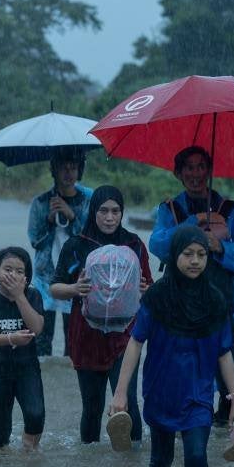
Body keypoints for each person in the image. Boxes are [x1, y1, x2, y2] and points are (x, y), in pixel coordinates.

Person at [110, 226, 234, 467]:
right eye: (188, 254)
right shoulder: (157, 297)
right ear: (174, 256)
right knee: (161, 460)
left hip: (198, 396)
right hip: (161, 392)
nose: (195, 260)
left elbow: (224, 353)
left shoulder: (215, 301)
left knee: (197, 459)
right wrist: (121, 393)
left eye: (201, 254)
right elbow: (135, 343)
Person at [149, 146, 234, 425]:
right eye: (188, 168)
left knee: (232, 385)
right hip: (179, 307)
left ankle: (220, 434)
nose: (195, 174)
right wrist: (193, 225)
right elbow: (156, 244)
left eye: (201, 166)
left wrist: (220, 247)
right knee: (183, 375)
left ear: (210, 171)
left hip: (221, 306)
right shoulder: (170, 210)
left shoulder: (230, 210)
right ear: (178, 173)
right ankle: (185, 430)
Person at [50, 185, 150, 448]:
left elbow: (150, 290)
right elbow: (55, 288)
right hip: (86, 338)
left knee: (127, 402)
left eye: (115, 211)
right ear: (93, 211)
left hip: (126, 338)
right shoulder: (77, 245)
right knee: (92, 408)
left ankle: (133, 464)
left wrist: (145, 289)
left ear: (122, 213)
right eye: (103, 211)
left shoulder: (134, 245)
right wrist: (74, 288)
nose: (109, 217)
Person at [0, 247, 46, 451]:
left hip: (27, 368)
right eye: (7, 269)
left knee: (36, 415)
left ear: (27, 276)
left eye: (19, 271)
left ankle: (28, 456)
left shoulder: (33, 297)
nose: (13, 274)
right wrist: (9, 338)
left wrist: (19, 297)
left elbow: (37, 328)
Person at [28, 148, 93, 356]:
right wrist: (49, 220)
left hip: (75, 275)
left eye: (73, 168)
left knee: (73, 339)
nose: (68, 173)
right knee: (42, 339)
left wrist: (71, 216)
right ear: (54, 170)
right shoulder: (40, 202)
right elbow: (34, 240)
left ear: (79, 170)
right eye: (63, 168)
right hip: (45, 276)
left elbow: (90, 239)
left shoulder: (87, 200)